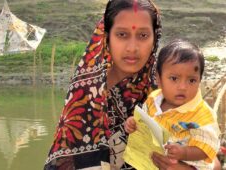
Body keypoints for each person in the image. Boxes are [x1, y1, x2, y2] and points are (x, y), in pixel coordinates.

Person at [44, 0, 221, 169]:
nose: (132, 47)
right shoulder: (85, 94)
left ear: (155, 38)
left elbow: (212, 162)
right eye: (122, 35)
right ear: (107, 37)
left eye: (143, 35)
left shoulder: (168, 87)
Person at [125, 39, 221, 169]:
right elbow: (145, 122)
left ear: (199, 80)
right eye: (174, 78)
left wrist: (184, 153)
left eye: (191, 80)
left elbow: (207, 147)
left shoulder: (202, 115)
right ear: (158, 79)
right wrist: (134, 124)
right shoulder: (153, 99)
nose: (182, 87)